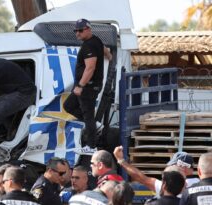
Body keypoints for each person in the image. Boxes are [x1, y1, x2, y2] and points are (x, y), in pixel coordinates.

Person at [63, 18, 112, 150]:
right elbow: (103, 48)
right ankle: (94, 125)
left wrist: (80, 86)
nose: (77, 33)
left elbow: (90, 68)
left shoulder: (88, 45)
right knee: (68, 106)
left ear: (88, 29)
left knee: (88, 115)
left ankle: (91, 146)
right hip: (88, 86)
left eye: (80, 30)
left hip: (87, 87)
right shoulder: (95, 40)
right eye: (75, 31)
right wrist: (108, 54)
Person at [113, 146, 197, 197]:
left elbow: (141, 178)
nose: (169, 168)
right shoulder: (200, 185)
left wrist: (121, 160)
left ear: (181, 166)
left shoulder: (167, 186)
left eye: (172, 165)